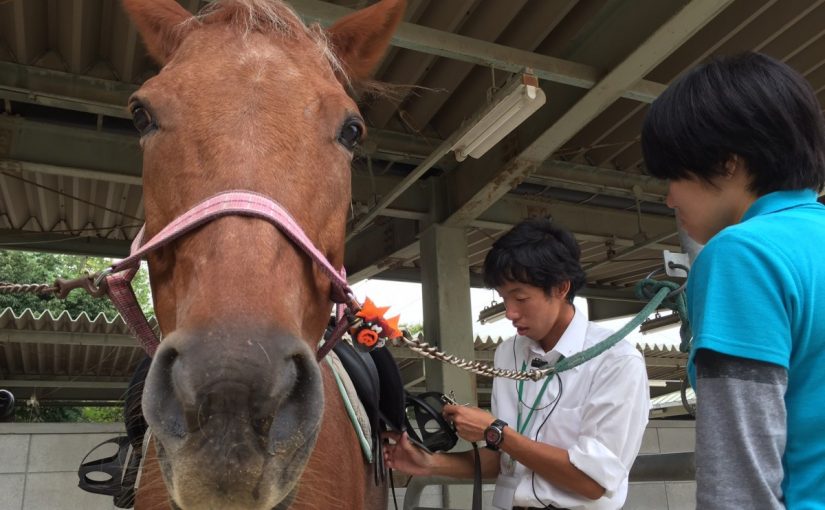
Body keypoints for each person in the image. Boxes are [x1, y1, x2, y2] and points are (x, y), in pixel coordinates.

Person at [641, 51, 825, 509]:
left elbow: (739, 481)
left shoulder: (744, 254)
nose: (668, 198)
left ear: (727, 163)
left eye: (673, 176)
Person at [384, 218, 649, 510]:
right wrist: (429, 463)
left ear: (561, 288)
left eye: (521, 298)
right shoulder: (508, 353)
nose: (510, 312)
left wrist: (496, 430)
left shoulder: (615, 361)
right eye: (503, 298)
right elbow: (506, 460)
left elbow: (592, 482)